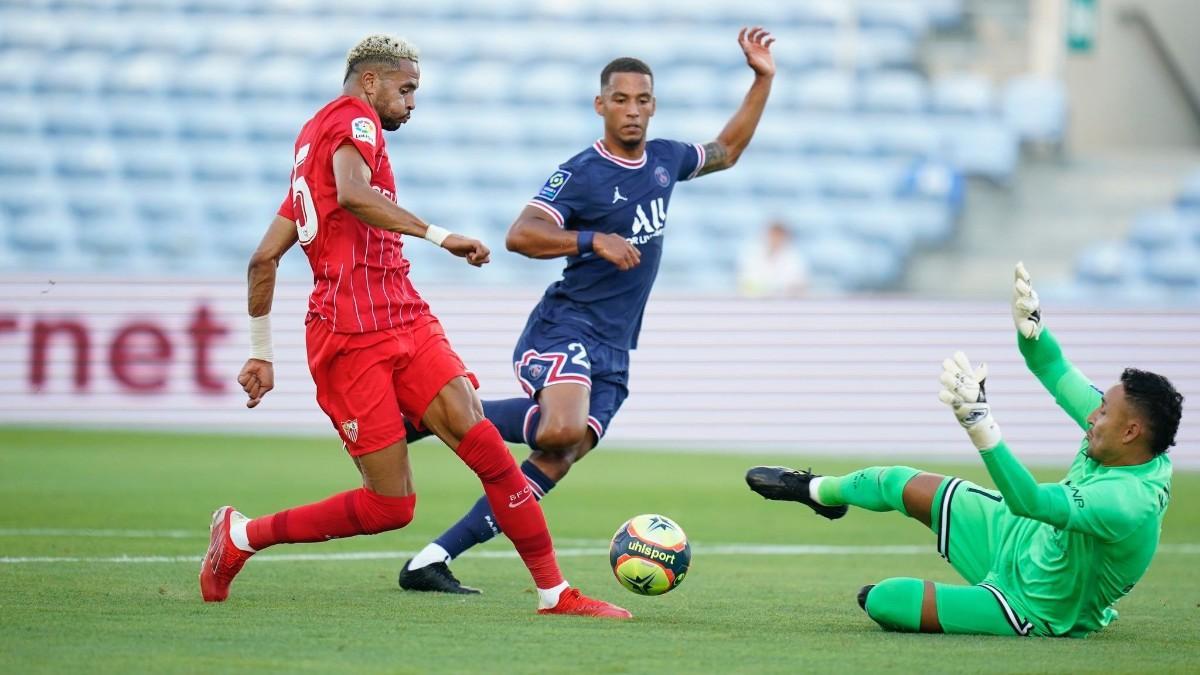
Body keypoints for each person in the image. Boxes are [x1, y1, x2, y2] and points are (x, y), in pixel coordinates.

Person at [199, 34, 630, 619]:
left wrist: (260, 352)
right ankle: (244, 535)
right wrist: (439, 235)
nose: (411, 102)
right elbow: (353, 196)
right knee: (389, 507)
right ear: (371, 81)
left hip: (405, 317)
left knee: (492, 456)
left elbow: (263, 257)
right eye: (406, 89)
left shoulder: (312, 143)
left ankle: (555, 593)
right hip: (350, 338)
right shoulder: (355, 122)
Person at [399, 27, 777, 593]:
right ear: (600, 105)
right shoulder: (582, 172)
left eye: (642, 100)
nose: (632, 111)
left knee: (561, 453)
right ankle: (437, 412)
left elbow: (728, 150)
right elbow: (519, 235)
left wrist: (762, 78)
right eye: (620, 100)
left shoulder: (666, 160)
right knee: (562, 428)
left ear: (653, 106)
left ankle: (431, 559)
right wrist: (590, 239)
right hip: (564, 326)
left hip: (615, 347)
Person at [746, 262, 1181, 637]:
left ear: (1131, 433)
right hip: (1017, 535)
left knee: (884, 600)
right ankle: (819, 492)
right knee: (898, 482)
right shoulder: (1127, 442)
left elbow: (1030, 500)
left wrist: (980, 425)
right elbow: (1051, 365)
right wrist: (1034, 333)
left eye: (1103, 412)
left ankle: (976, 603)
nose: (1092, 415)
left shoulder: (1128, 502)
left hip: (1036, 605)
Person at [736, 219, 807, 297]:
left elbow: (799, 284)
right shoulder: (753, 255)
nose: (775, 240)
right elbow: (745, 282)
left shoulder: (793, 257)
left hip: (785, 303)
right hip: (755, 301)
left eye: (779, 237)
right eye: (773, 236)